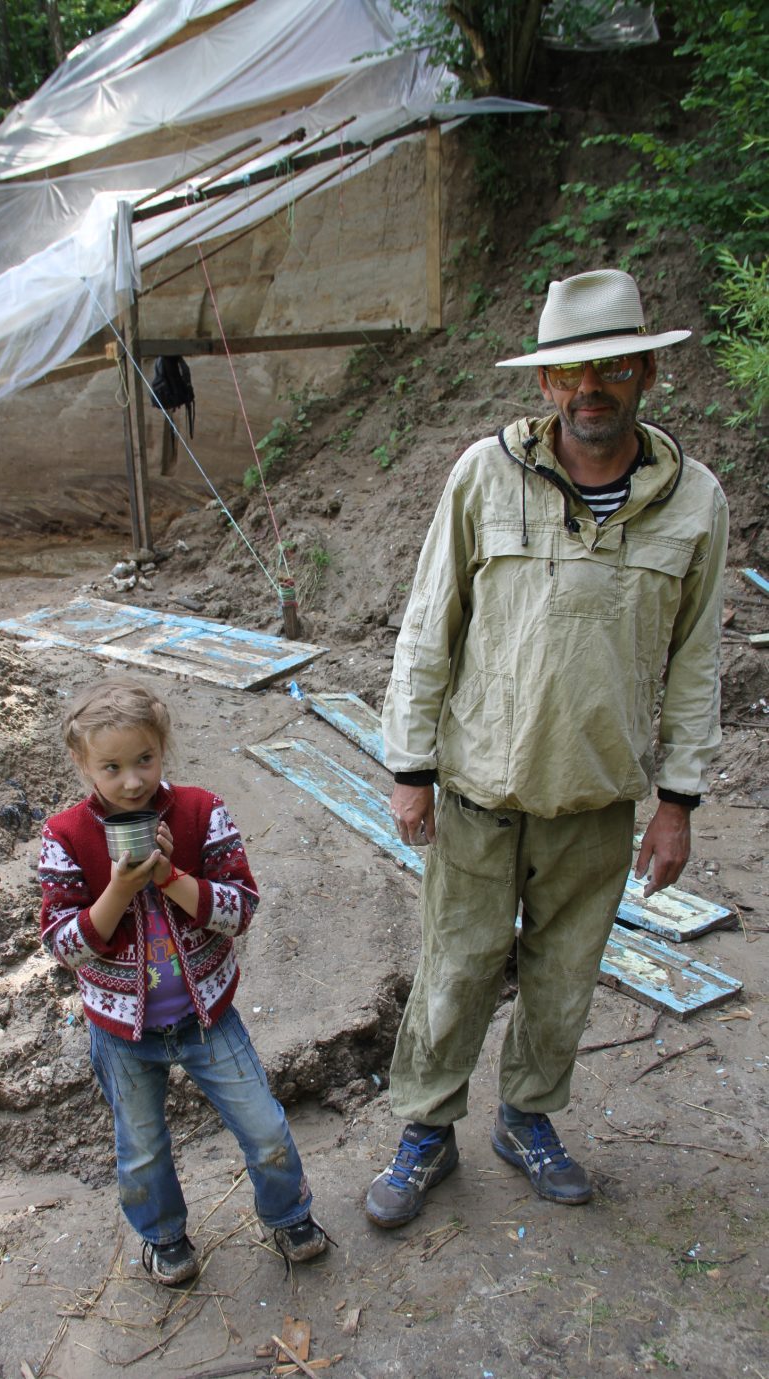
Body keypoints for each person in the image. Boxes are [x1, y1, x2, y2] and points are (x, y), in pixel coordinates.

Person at [366, 269, 728, 1228]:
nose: (590, 387)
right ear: (543, 385)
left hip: (599, 801)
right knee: (455, 969)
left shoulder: (693, 501)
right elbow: (425, 625)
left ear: (647, 370)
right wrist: (409, 769)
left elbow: (696, 661)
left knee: (565, 979)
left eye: (611, 364)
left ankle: (525, 1118)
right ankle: (426, 1130)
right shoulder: (483, 476)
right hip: (480, 786)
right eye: (570, 370)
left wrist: (678, 799)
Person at [39, 675, 327, 1284]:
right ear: (82, 763)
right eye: (111, 767)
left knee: (265, 1126)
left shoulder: (200, 810)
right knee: (141, 1151)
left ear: (162, 750)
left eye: (144, 759)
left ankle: (289, 1214)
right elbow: (64, 947)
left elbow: (242, 907)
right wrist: (118, 887)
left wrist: (171, 878)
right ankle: (164, 1238)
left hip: (209, 1017)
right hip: (122, 1032)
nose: (132, 780)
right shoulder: (65, 836)